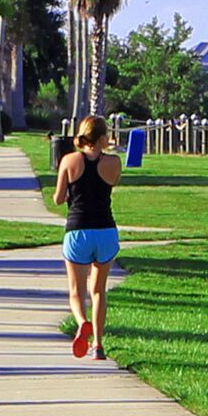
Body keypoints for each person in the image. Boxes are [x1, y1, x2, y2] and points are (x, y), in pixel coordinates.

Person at [51, 113, 123, 359]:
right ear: (103, 137)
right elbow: (113, 182)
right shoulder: (114, 162)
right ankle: (99, 346)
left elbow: (58, 199)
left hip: (78, 230)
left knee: (76, 291)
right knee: (99, 291)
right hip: (105, 231)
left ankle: (82, 323)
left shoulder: (69, 161)